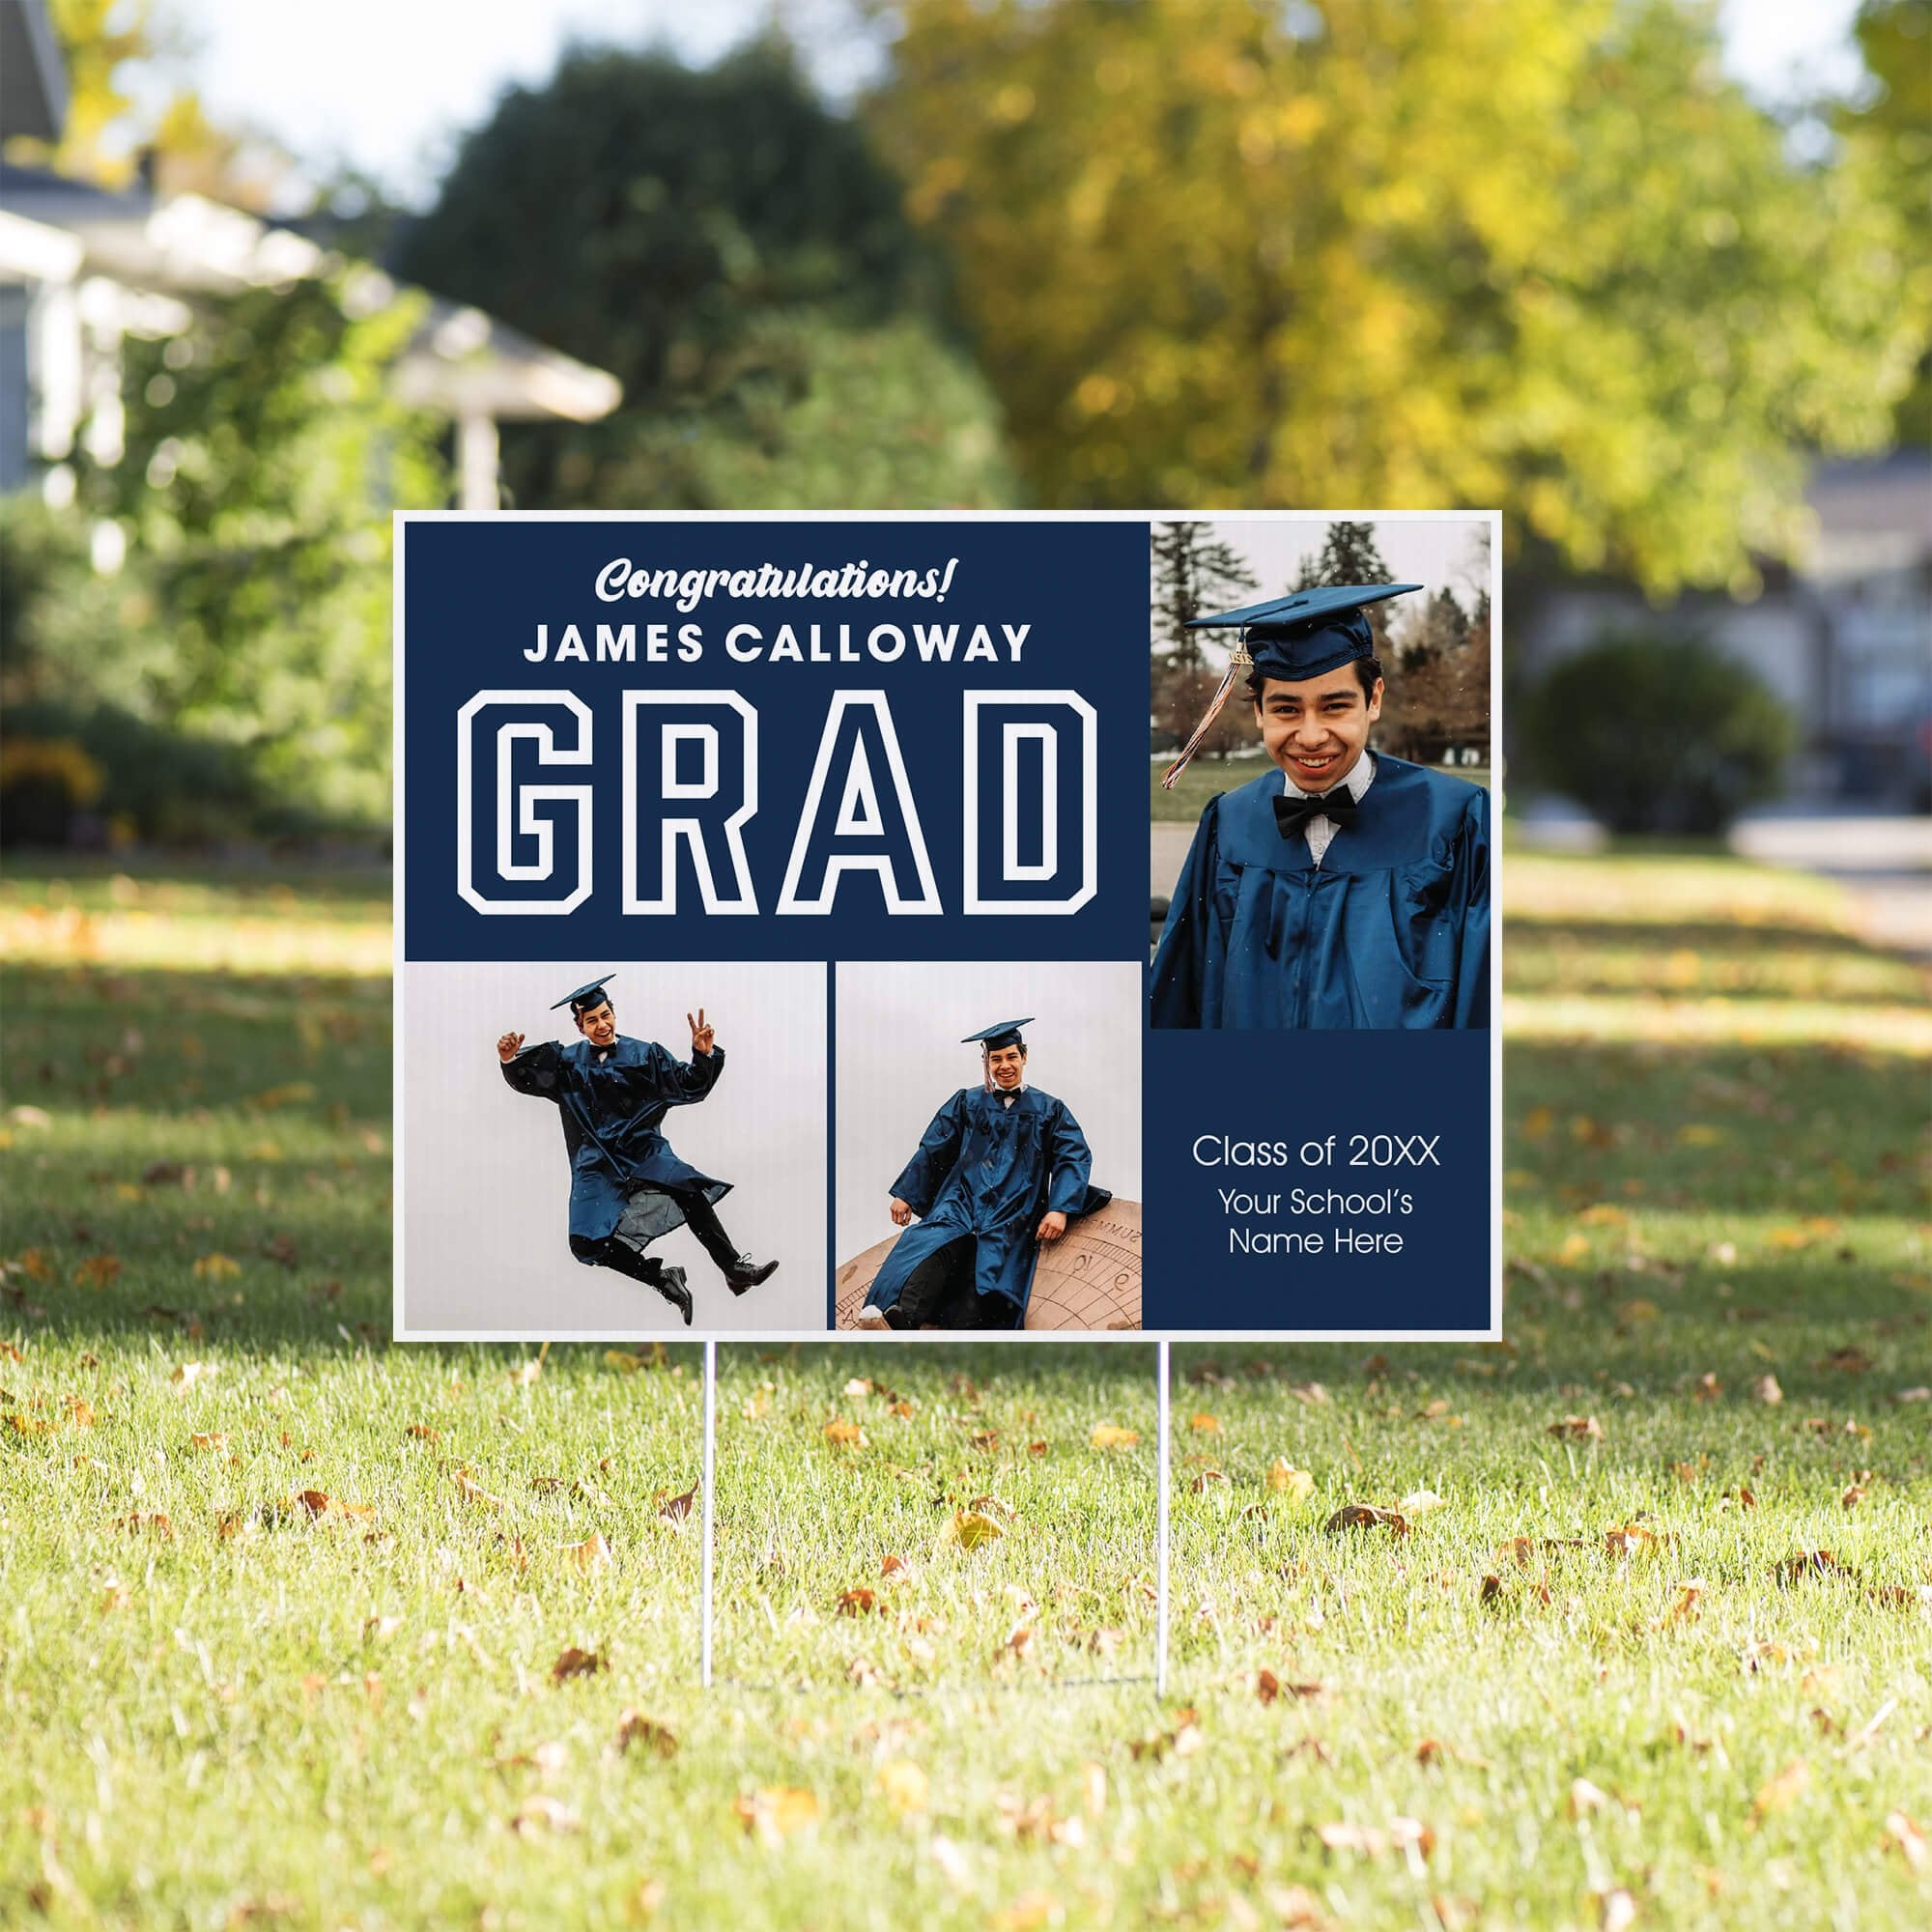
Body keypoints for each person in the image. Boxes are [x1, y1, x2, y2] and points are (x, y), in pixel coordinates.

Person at [1150, 583, 1490, 1030]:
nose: (1310, 736)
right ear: (1259, 713)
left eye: (1334, 707)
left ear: (1374, 699)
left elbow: (1481, 1003)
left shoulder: (1450, 820)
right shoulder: (1229, 824)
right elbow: (1180, 1004)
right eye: (1287, 709)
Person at [497, 976, 778, 1324]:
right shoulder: (567, 1063)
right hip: (596, 1164)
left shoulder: (644, 1056)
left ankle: (733, 1267)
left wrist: (702, 1055)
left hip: (642, 1149)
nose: (601, 1025)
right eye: (592, 1020)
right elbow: (527, 1079)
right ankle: (663, 1279)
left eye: (605, 1015)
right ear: (580, 1026)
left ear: (614, 1013)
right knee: (585, 1244)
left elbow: (690, 1086)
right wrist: (509, 1060)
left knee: (688, 1188)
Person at [854, 1019, 1111, 1331]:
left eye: (1011, 1057)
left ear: (1024, 1057)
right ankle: (901, 1319)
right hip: (962, 1199)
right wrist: (906, 1193)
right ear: (986, 1063)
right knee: (932, 1243)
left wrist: (1059, 1208)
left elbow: (1073, 1154)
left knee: (988, 1279)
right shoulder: (967, 1103)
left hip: (1013, 1209)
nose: (1004, 1066)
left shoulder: (1048, 1110)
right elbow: (935, 1145)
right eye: (996, 1058)